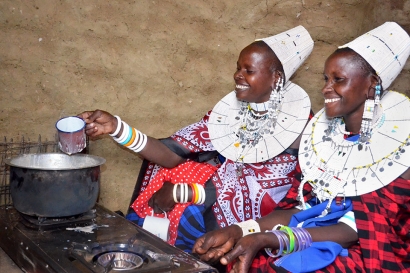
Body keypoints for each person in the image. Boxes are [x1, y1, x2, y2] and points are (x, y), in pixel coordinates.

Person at [192, 22, 410, 273]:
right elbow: (300, 207)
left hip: (367, 252)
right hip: (308, 236)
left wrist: (270, 239)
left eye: (338, 79)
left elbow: (356, 231)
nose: (326, 88)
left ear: (372, 84)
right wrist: (238, 230)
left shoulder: (398, 151)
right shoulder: (324, 141)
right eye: (326, 78)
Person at [79, 25, 314, 253]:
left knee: (188, 210)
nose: (237, 75)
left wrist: (184, 192)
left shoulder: (302, 127)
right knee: (165, 172)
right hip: (213, 195)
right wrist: (116, 127)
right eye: (237, 68)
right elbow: (171, 152)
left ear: (276, 78)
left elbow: (268, 194)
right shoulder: (232, 113)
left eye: (248, 71)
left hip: (258, 220)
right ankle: (142, 255)